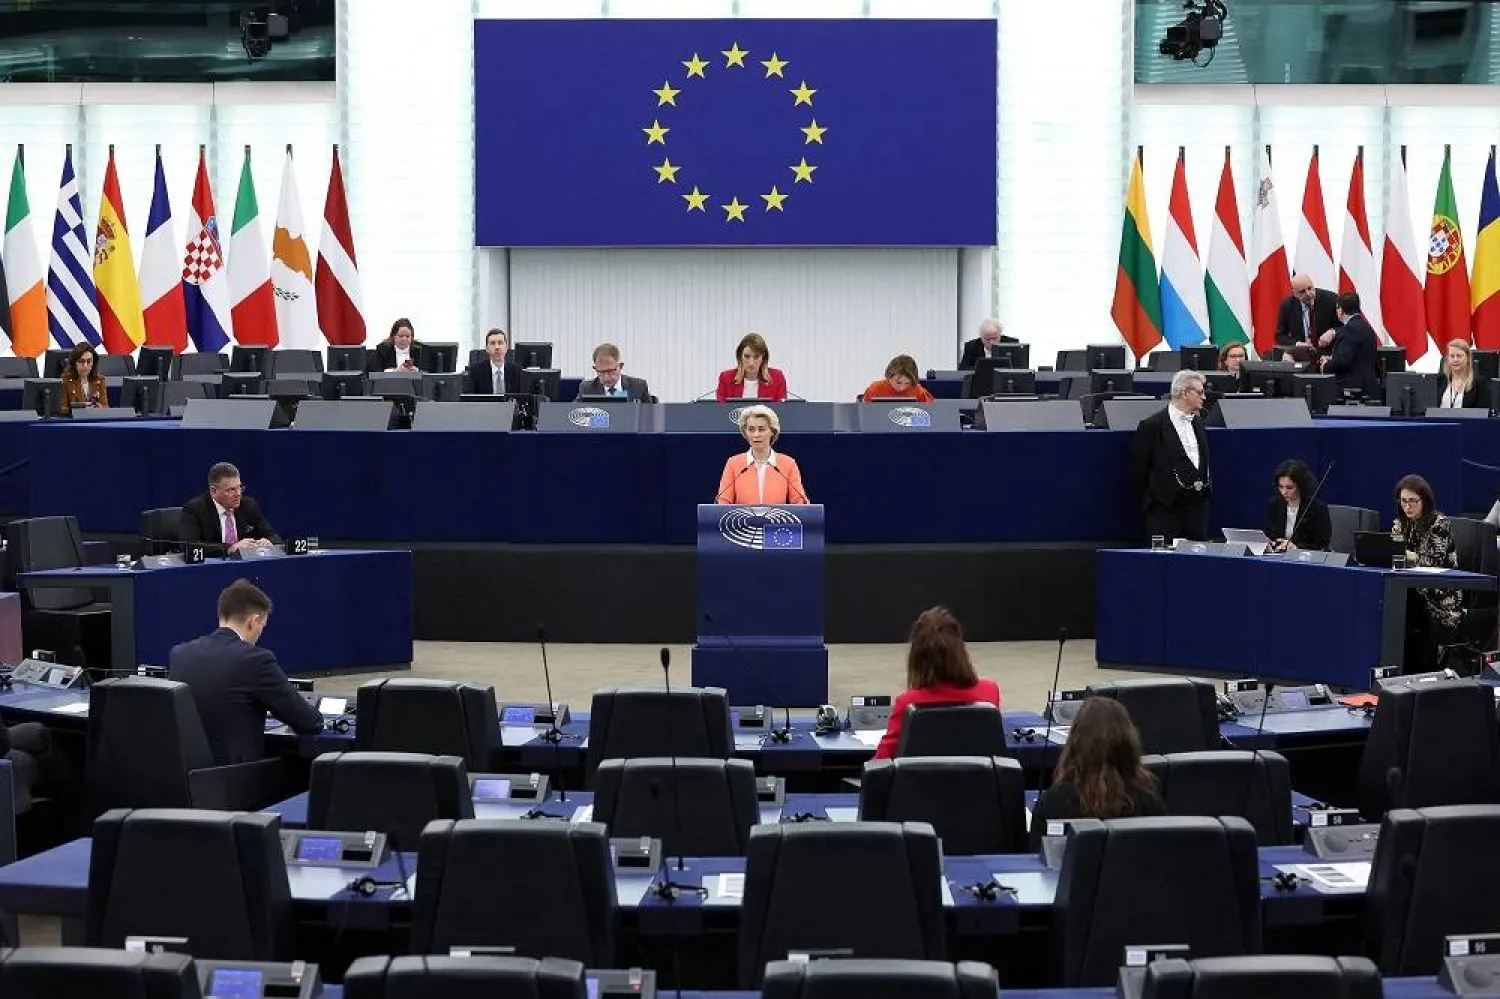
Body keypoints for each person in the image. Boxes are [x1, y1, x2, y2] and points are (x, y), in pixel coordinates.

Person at [167, 580, 325, 766]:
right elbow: (310, 722)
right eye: (262, 626)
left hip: (186, 776)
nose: (260, 633)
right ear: (254, 621)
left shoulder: (180, 653)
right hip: (234, 780)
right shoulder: (256, 660)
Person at [1028, 697, 1165, 848]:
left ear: (1075, 743)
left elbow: (1035, 863)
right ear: (1128, 742)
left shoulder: (1052, 803)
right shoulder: (1148, 799)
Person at [872, 607, 1001, 760]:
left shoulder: (907, 703)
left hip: (918, 783)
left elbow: (879, 765)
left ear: (916, 657)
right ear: (960, 649)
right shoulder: (989, 692)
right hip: (977, 783)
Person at [1391, 474, 1464, 672]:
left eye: (1413, 501)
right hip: (1411, 590)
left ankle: (1401, 665)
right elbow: (1392, 557)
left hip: (1440, 598)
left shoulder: (1439, 524)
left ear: (1425, 501)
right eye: (1404, 501)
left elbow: (1432, 563)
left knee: (1407, 602)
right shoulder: (1400, 524)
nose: (1408, 506)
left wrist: (1406, 555)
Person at [1130, 370, 1211, 543]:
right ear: (1184, 393)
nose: (1204, 397)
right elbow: (1139, 470)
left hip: (1196, 512)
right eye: (1200, 392)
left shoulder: (1199, 423)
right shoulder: (1152, 426)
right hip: (1163, 513)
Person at [715, 405, 809, 505]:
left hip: (778, 521)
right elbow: (723, 503)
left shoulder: (788, 464)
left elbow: (799, 503)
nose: (756, 435)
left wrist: (804, 505)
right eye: (751, 429)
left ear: (772, 431)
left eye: (761, 429)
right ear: (745, 433)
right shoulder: (733, 463)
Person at [179, 462, 278, 554]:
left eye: (239, 487)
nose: (238, 494)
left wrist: (268, 541)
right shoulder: (195, 509)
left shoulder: (248, 505)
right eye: (231, 490)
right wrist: (230, 548)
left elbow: (273, 536)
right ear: (214, 491)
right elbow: (189, 546)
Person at [1264, 458, 1332, 552]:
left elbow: (1322, 545)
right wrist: (1269, 542)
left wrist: (1296, 548)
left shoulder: (1317, 509)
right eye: (1281, 487)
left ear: (1301, 485)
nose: (1284, 492)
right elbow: (1271, 535)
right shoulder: (1274, 505)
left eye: (1289, 487)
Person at [1320, 292, 1379, 398]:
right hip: (1367, 387)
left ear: (1341, 310)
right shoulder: (1364, 326)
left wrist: (1326, 365)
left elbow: (1343, 360)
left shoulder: (1350, 329)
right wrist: (1333, 358)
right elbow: (1355, 356)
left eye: (1337, 308)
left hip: (1354, 392)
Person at [715, 333, 788, 402]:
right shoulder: (726, 378)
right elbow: (721, 411)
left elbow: (781, 411)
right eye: (747, 356)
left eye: (756, 357)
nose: (751, 363)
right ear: (740, 356)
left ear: (763, 358)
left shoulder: (777, 378)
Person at [1275, 273, 1339, 350]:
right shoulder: (1287, 305)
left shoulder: (1332, 300)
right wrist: (1297, 344)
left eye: (1310, 288)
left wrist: (1333, 332)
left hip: (1329, 353)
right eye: (1302, 292)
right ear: (1294, 293)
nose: (1308, 294)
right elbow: (1280, 336)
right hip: (1302, 353)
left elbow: (1347, 327)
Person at [575, 343, 651, 401]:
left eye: (611, 371)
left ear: (620, 366)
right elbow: (572, 415)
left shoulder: (639, 386)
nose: (606, 378)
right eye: (601, 372)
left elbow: (650, 417)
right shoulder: (586, 389)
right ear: (595, 368)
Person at [463, 328, 523, 395]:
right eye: (492, 343)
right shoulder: (475, 372)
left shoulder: (517, 371)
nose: (497, 347)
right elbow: (469, 399)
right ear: (487, 349)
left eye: (500, 343)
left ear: (506, 348)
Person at [1439, 338, 1490, 409]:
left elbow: (1483, 413)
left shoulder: (1479, 383)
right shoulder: (1439, 381)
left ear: (1468, 358)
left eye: (1459, 356)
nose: (1455, 359)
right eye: (1452, 356)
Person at [59, 343, 107, 416]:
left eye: (89, 361)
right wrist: (81, 409)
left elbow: (106, 407)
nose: (85, 365)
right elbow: (62, 408)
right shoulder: (66, 380)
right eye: (82, 361)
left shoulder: (100, 380)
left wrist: (99, 408)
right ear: (75, 363)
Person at [862, 354, 935, 402]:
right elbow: (864, 414)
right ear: (889, 376)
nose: (901, 388)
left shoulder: (919, 391)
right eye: (898, 382)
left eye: (907, 383)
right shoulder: (874, 390)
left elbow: (931, 412)